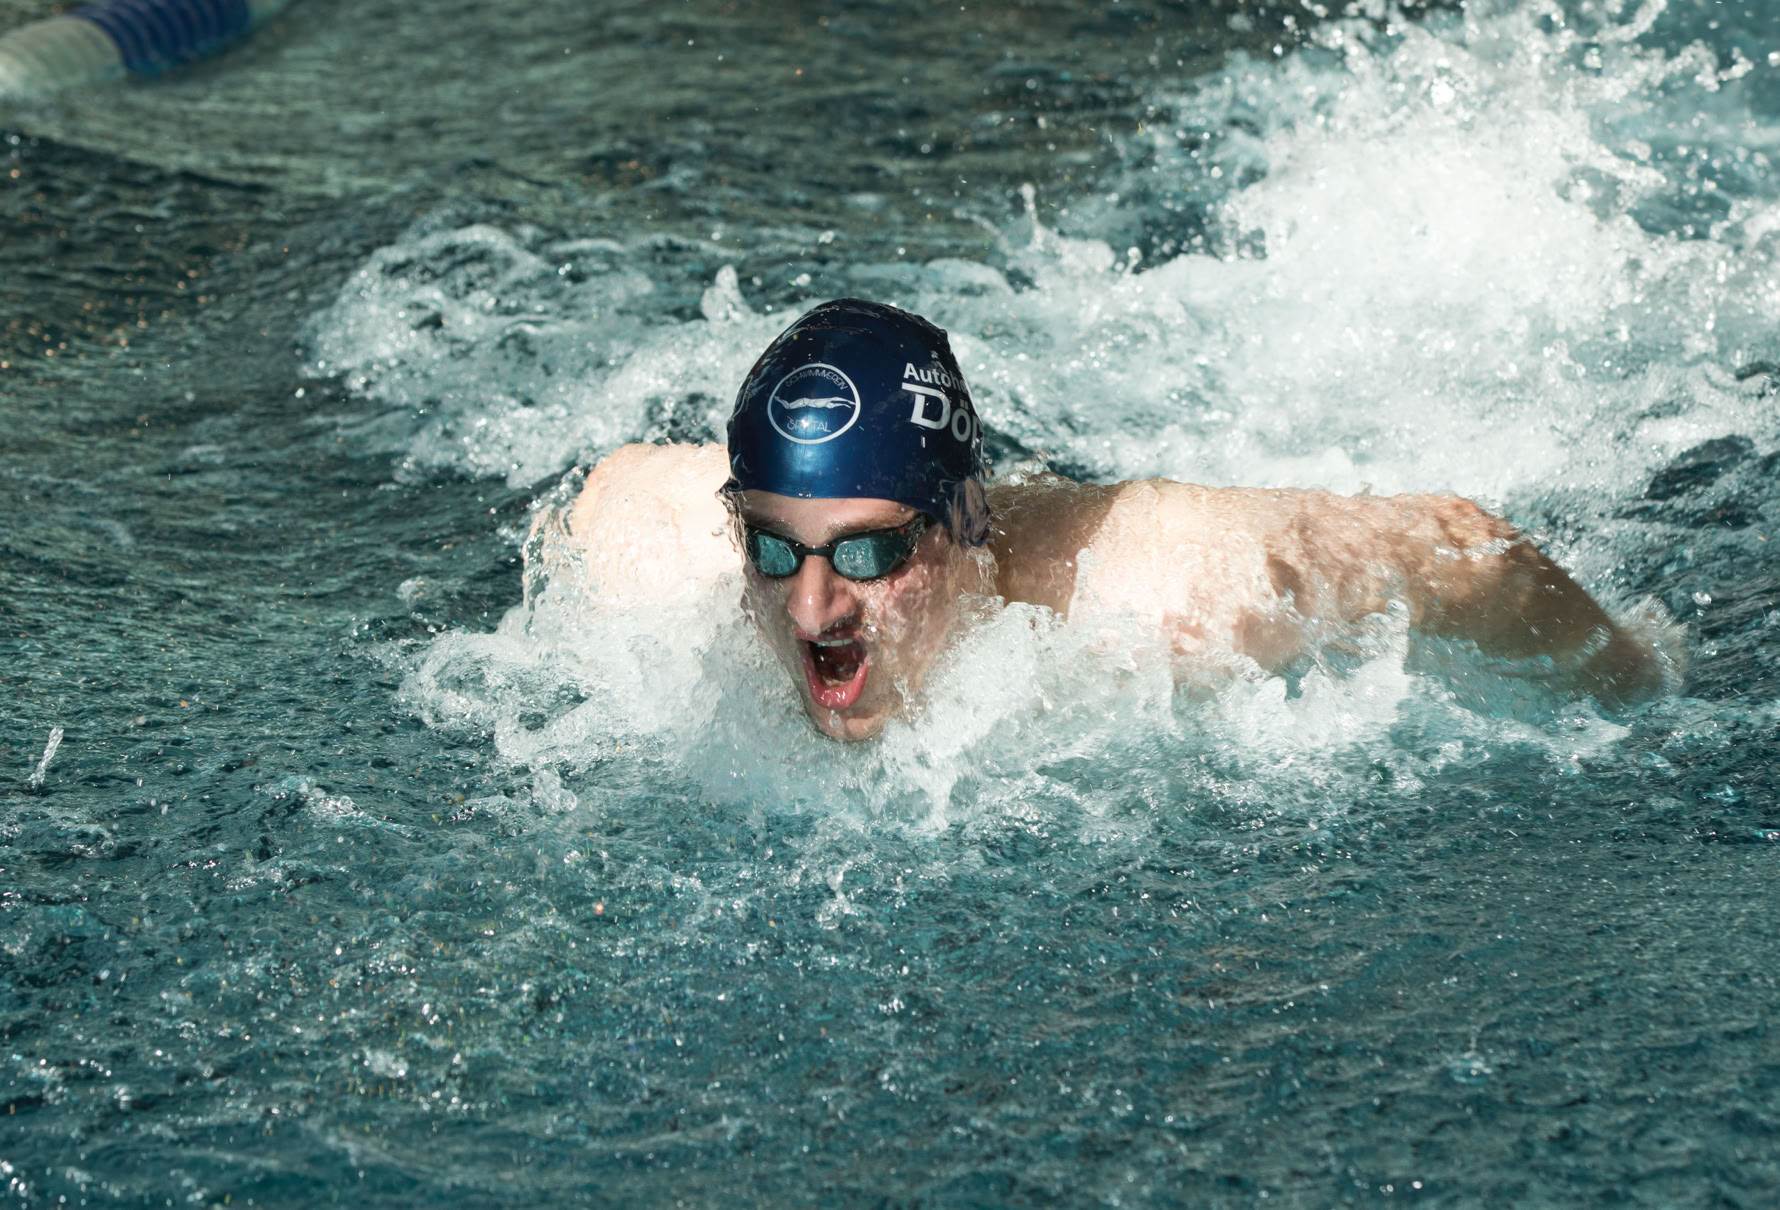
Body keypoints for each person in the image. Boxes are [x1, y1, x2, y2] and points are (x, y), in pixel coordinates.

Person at [532, 299, 1681, 741]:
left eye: (872, 550)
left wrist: (1642, 685)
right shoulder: (639, 540)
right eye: (774, 549)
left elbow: (1471, 549)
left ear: (964, 523)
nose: (812, 606)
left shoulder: (1182, 591)